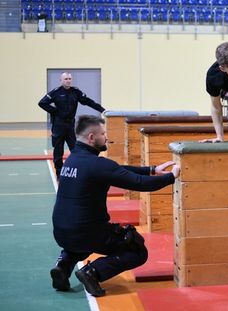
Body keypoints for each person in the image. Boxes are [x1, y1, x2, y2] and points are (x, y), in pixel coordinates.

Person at [50, 115, 180, 297]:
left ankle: (63, 265)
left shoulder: (71, 160)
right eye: (103, 133)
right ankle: (93, 272)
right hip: (86, 232)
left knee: (81, 241)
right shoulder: (97, 164)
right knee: (137, 250)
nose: (106, 137)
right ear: (91, 138)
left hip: (61, 233)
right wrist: (172, 176)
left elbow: (116, 168)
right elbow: (141, 184)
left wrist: (151, 169)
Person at [38, 72, 106, 177]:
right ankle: (59, 174)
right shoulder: (56, 92)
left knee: (75, 150)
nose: (68, 81)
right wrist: (55, 111)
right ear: (61, 80)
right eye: (66, 79)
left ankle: (78, 171)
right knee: (58, 152)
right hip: (58, 126)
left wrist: (102, 110)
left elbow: (88, 101)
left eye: (69, 79)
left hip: (70, 126)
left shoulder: (75, 92)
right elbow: (42, 103)